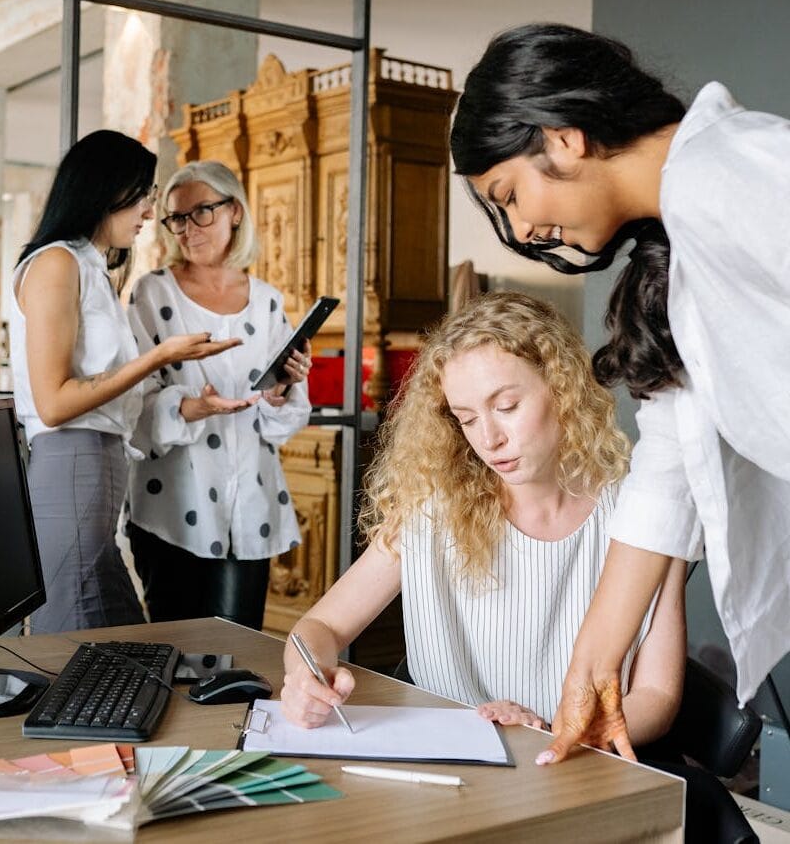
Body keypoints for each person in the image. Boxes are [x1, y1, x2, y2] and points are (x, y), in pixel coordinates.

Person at [449, 22, 790, 765]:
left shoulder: (734, 171)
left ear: (563, 138)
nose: (525, 225)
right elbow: (665, 478)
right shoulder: (679, 245)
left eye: (509, 194)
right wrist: (591, 676)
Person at [279, 291, 686, 751]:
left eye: (507, 407)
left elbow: (658, 695)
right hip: (455, 768)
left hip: (582, 769)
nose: (489, 439)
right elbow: (319, 629)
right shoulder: (432, 510)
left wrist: (559, 734)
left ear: (562, 388)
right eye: (467, 419)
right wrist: (304, 678)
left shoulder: (644, 511)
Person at [10, 131, 241, 633]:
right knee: (79, 648)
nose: (148, 210)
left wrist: (184, 403)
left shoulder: (90, 269)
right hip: (72, 464)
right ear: (103, 190)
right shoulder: (57, 263)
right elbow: (53, 402)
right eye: (141, 195)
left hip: (95, 470)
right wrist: (161, 354)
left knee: (117, 643)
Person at [124, 160, 311, 630]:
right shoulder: (152, 294)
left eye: (201, 212)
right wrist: (195, 408)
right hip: (171, 509)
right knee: (176, 658)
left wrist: (282, 390)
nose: (188, 229)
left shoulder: (268, 301)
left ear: (235, 212)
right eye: (177, 218)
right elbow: (134, 406)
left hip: (250, 507)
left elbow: (283, 420)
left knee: (238, 661)